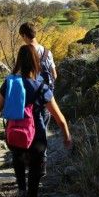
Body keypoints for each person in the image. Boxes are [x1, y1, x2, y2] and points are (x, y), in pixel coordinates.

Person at [0, 45, 71, 197]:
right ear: (36, 62)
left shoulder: (9, 83)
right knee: (35, 169)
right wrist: (66, 136)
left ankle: (21, 191)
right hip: (36, 138)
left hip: (13, 135)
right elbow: (60, 119)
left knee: (17, 159)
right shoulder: (42, 87)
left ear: (18, 61)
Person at [19, 22, 58, 175]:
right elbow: (54, 75)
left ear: (24, 35)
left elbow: (21, 76)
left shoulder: (26, 52)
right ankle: (43, 164)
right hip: (45, 99)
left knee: (28, 130)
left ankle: (30, 163)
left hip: (28, 101)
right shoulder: (47, 52)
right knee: (42, 131)